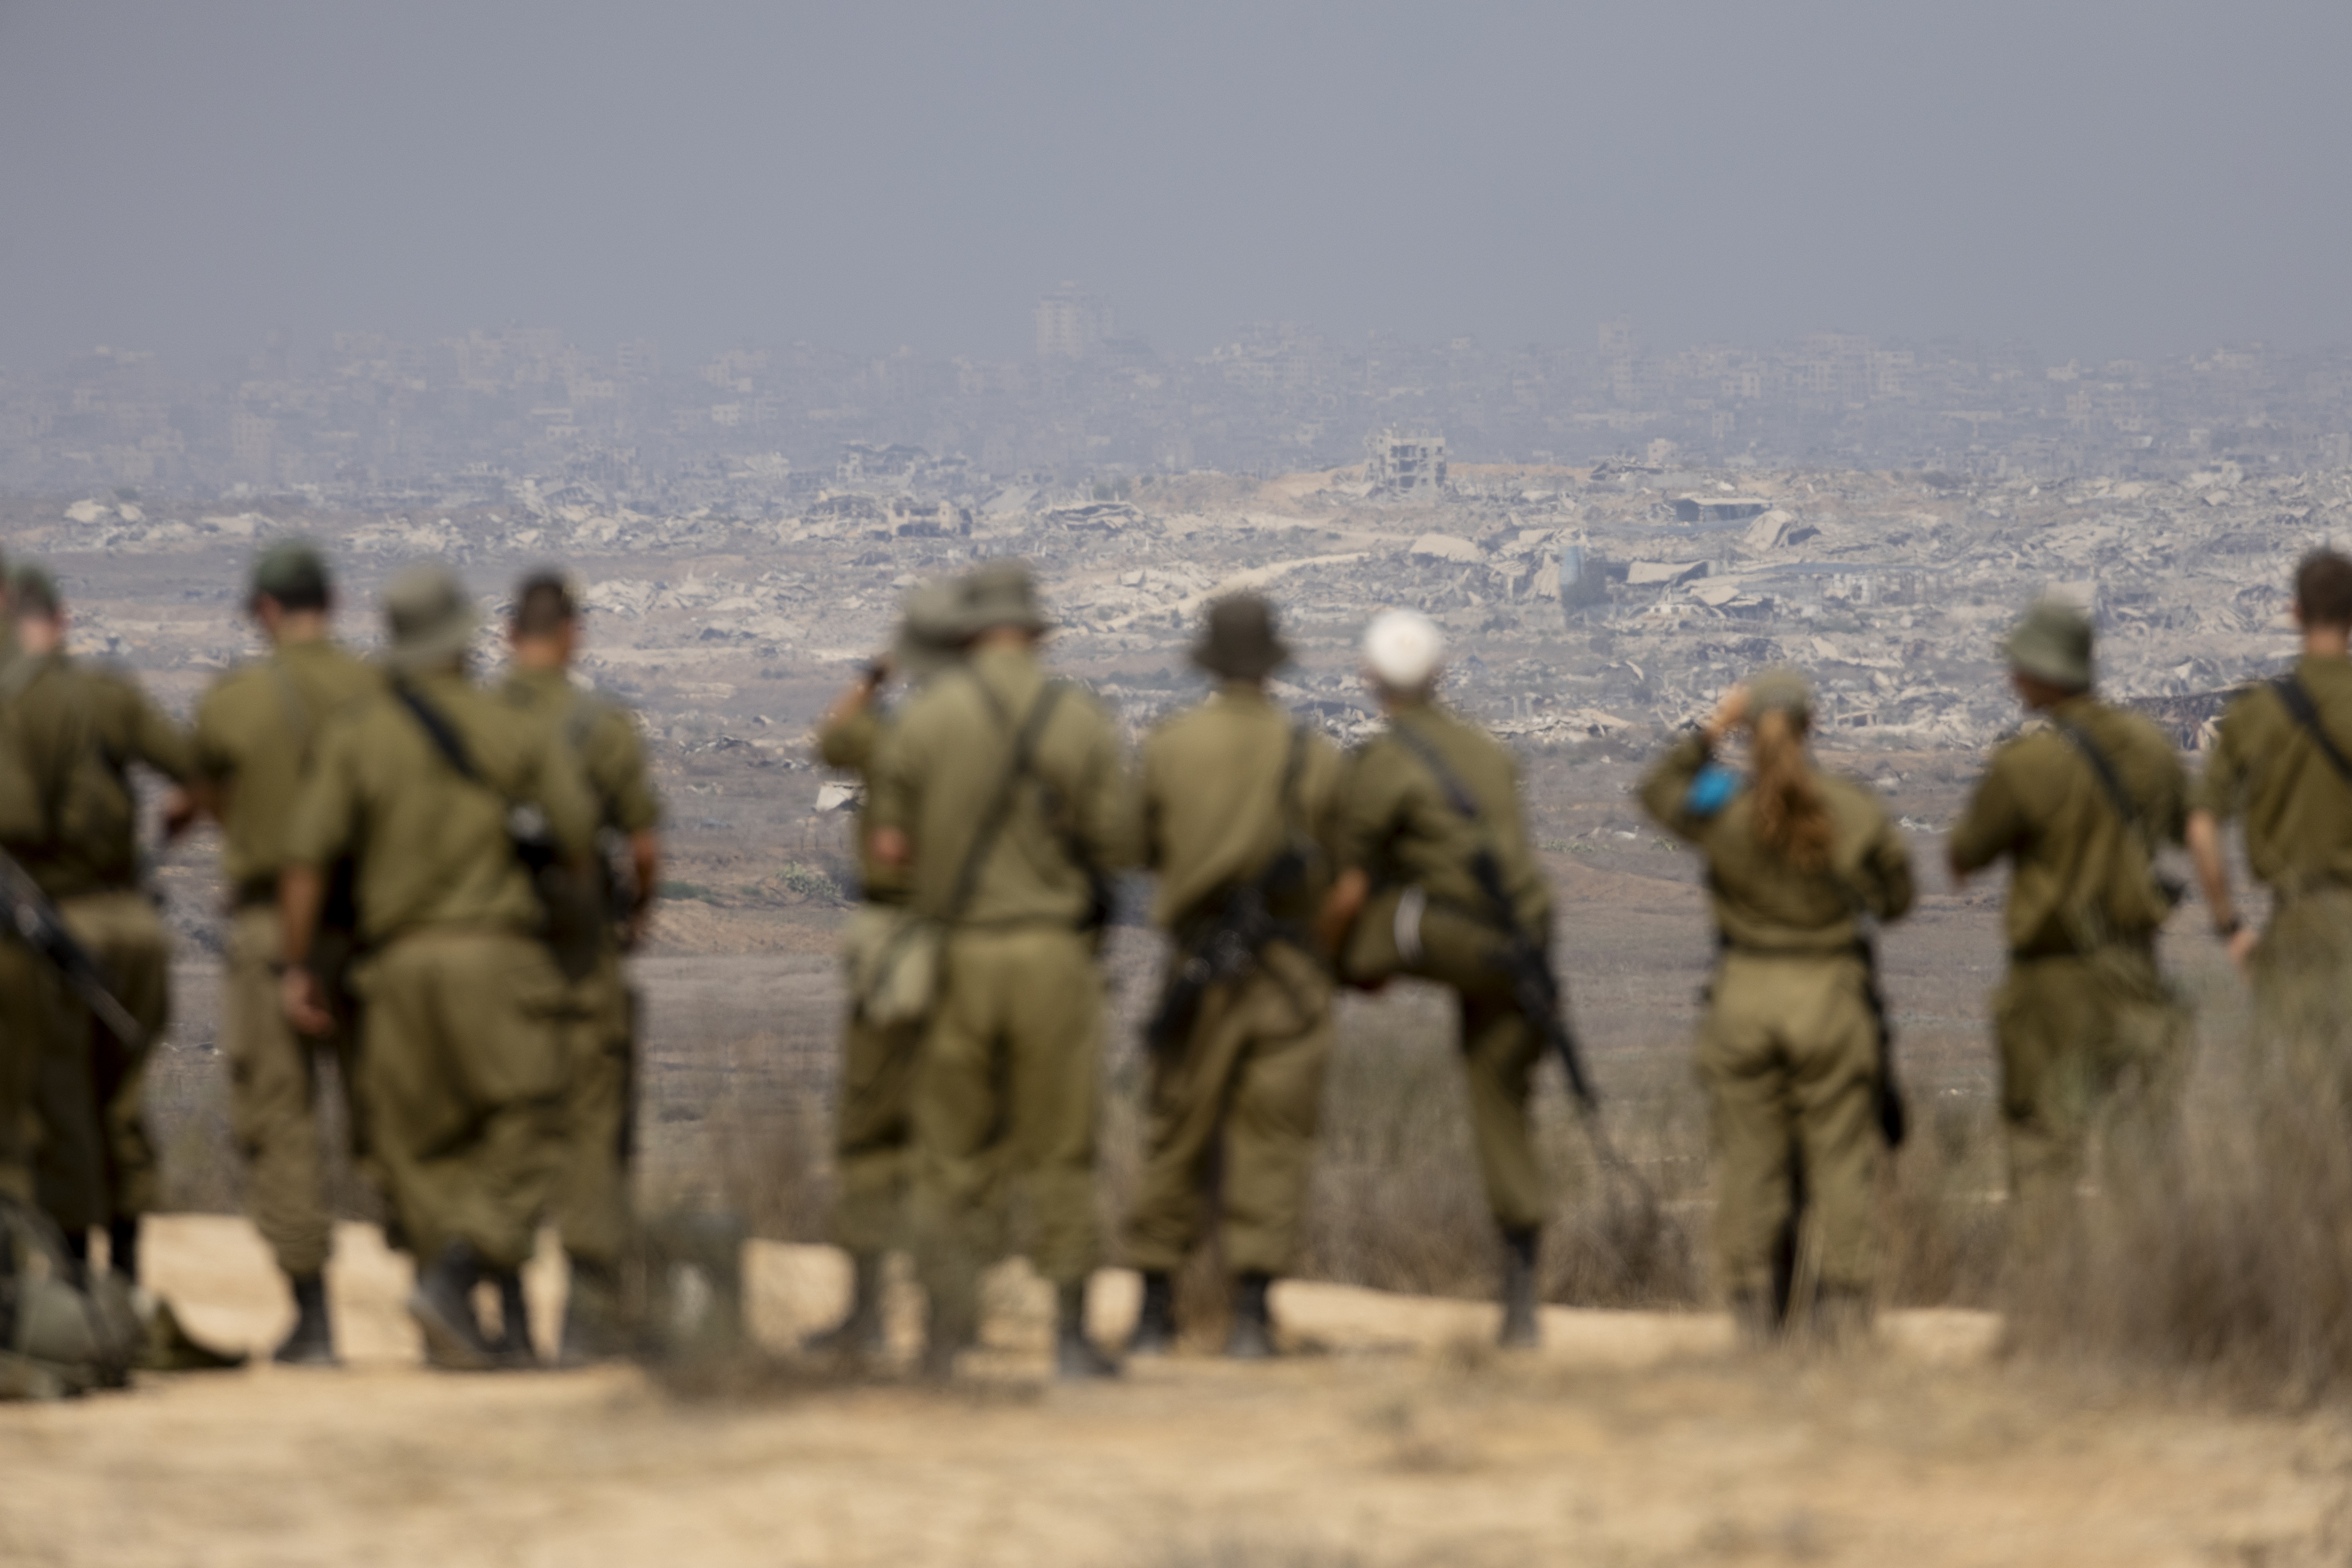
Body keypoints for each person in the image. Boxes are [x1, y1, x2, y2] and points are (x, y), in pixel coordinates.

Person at [281, 564, 598, 1370]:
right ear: (465, 639)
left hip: (391, 971)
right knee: (527, 1123)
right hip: (496, 958)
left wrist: (298, 963)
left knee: (419, 1150)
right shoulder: (507, 727)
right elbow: (574, 833)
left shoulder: (356, 734)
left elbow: (309, 859)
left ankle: (451, 1307)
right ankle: (464, 1280)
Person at [865, 560, 1132, 1380]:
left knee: (951, 1151)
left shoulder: (925, 721)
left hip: (959, 956)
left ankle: (947, 1331)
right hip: (1054, 957)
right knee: (1061, 1148)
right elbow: (1121, 844)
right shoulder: (1078, 719)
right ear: (1035, 630)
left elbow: (888, 852)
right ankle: (1076, 1337)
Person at [1639, 671, 1915, 1340]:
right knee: (1840, 1163)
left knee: (1751, 1163)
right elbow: (1896, 899)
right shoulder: (1850, 809)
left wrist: (1710, 729)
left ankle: (1750, 1313)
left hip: (1745, 1001)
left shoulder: (1725, 811)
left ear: (1748, 729)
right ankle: (1845, 1316)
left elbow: (1657, 795)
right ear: (1810, 725)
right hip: (1830, 1000)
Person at [1318, 608, 1560, 1347]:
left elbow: (1352, 887)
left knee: (1358, 915)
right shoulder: (1488, 752)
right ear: (1441, 675)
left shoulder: (1383, 763)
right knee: (1501, 1104)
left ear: (1369, 680)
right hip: (1525, 945)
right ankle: (1521, 1297)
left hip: (1451, 936)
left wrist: (1336, 963)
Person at [1122, 595, 1342, 1359]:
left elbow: (1136, 849)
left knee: (1176, 1129)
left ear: (1210, 663)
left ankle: (1154, 1309)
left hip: (1197, 974)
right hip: (1288, 975)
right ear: (1273, 664)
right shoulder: (1311, 753)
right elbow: (1342, 869)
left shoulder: (1170, 746)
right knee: (1273, 1140)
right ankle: (1251, 1315)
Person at [189, 540, 382, 1365]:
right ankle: (459, 1287)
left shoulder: (234, 702)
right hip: (373, 926)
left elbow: (207, 798)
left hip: (272, 926)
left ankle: (312, 1313)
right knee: (397, 1110)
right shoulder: (378, 694)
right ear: (332, 603)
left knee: (280, 1115)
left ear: (262, 611)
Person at [1949, 597, 2188, 1258]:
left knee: (2045, 1146)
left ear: (2040, 672)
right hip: (2136, 971)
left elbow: (1966, 854)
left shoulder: (2026, 764)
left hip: (2053, 980)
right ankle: (2157, 1298)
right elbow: (2183, 832)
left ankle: (2049, 1308)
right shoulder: (2150, 748)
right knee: (2144, 1146)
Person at [0, 564, 199, 1304]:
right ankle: (127, 1273)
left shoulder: (19, 704)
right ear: (64, 620)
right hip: (132, 924)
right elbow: (198, 768)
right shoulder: (105, 695)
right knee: (124, 1096)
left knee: (63, 1104)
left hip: (55, 923)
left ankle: (78, 1282)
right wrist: (177, 820)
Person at [497, 570, 663, 1364]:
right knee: (592, 1133)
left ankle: (495, 1313)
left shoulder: (473, 723)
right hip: (582, 953)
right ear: (574, 636)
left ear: (507, 636)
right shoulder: (602, 726)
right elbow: (644, 846)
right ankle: (589, 1323)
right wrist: (632, 921)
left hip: (492, 963)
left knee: (499, 1128)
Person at [801, 578, 962, 1358]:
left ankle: (865, 1310)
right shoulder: (988, 741)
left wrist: (873, 673)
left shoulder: (887, 737)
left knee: (871, 1136)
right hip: (966, 954)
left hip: (891, 951)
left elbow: (830, 739)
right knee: (955, 1141)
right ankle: (947, 1319)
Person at [2188, 549, 2352, 1060]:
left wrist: (2231, 927)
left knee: (2301, 1102)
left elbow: (2201, 825)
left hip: (2297, 928)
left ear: (2295, 613)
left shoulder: (2258, 713)